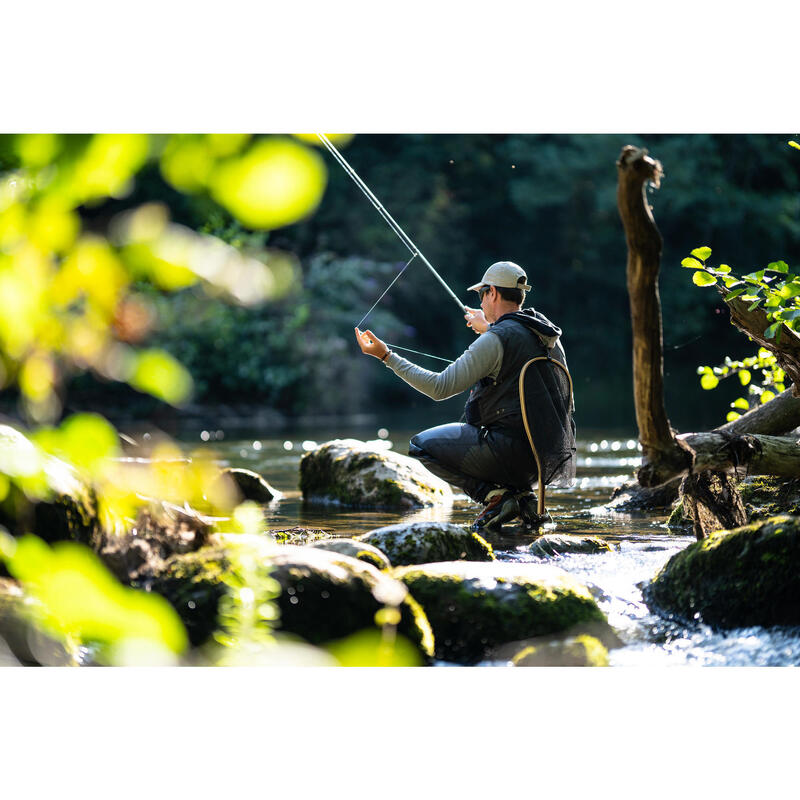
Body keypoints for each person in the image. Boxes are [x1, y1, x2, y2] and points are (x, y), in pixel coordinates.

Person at [355, 260, 575, 530]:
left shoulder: (495, 340)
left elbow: (439, 387)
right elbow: (523, 352)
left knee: (420, 445)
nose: (481, 303)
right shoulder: (547, 335)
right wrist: (492, 328)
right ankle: (523, 498)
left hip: (509, 455)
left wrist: (387, 356)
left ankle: (498, 497)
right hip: (544, 460)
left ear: (492, 293)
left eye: (482, 295)